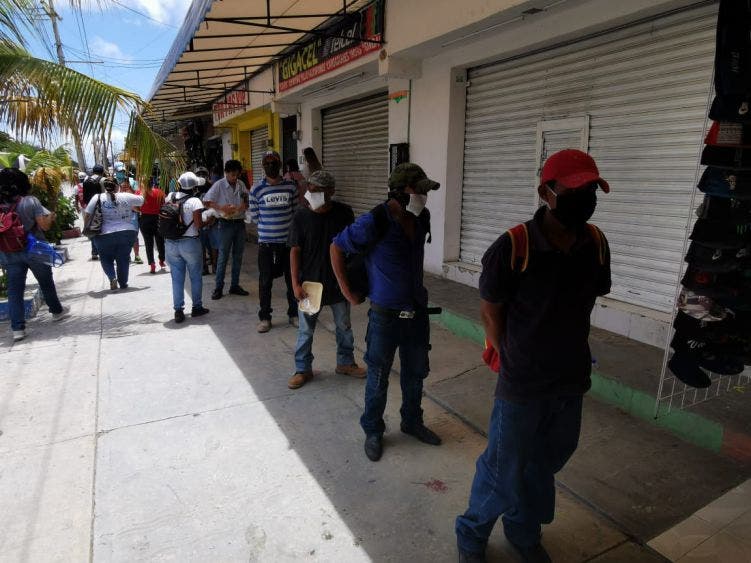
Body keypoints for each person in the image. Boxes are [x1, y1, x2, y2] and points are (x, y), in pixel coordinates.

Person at [454, 149, 612, 563]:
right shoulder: (513, 245)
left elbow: (585, 301)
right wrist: (510, 356)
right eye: (575, 190)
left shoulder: (595, 243)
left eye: (591, 190)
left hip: (570, 379)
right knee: (502, 469)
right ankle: (471, 533)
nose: (586, 199)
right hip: (522, 383)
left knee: (545, 462)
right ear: (546, 193)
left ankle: (523, 532)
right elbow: (490, 312)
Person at [330, 163, 442, 462]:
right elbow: (336, 248)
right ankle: (373, 430)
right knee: (378, 376)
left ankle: (412, 422)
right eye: (418, 190)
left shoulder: (421, 217)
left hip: (416, 313)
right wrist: (347, 292)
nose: (423, 197)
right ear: (400, 192)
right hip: (384, 317)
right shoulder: (375, 220)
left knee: (416, 373)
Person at [287, 170, 365, 389]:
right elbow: (294, 250)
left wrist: (354, 282)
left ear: (331, 191)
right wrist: (295, 284)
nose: (310, 193)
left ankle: (345, 363)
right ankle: (302, 369)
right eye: (309, 188)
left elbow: (354, 248)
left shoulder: (344, 213)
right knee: (305, 330)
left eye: (317, 190)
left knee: (344, 326)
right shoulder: (301, 216)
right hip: (310, 285)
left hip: (339, 282)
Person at [0, 168, 69, 341]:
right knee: (45, 281)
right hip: (35, 248)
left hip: (9, 251)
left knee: (14, 290)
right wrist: (50, 217)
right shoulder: (30, 201)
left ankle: (18, 329)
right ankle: (56, 311)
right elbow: (44, 226)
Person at [248, 151, 298, 333]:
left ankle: (294, 314)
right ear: (263, 166)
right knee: (265, 282)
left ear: (280, 164)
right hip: (266, 244)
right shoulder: (256, 189)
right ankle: (265, 318)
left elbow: (295, 212)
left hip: (288, 244)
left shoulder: (291, 187)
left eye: (274, 162)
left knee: (292, 280)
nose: (270, 165)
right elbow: (254, 216)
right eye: (267, 163)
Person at [164, 172, 210, 323]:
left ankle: (178, 310)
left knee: (177, 278)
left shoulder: (170, 196)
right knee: (195, 276)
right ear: (195, 187)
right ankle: (197, 307)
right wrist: (210, 220)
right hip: (190, 243)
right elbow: (198, 225)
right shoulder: (195, 201)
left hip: (171, 243)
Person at [84, 176, 143, 291]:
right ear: (117, 186)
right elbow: (141, 200)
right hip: (127, 232)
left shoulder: (97, 197)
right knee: (123, 259)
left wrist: (87, 228)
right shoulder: (126, 196)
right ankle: (123, 283)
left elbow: (87, 214)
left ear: (104, 187)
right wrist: (141, 187)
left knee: (105, 258)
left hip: (103, 235)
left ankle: (112, 278)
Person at [203, 159, 250, 300]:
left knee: (238, 255)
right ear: (226, 173)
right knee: (223, 256)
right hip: (225, 223)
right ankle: (218, 288)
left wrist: (243, 206)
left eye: (237, 175)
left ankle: (234, 285)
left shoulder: (241, 184)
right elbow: (206, 202)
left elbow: (247, 200)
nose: (235, 178)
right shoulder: (219, 185)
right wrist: (221, 208)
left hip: (239, 223)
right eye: (232, 175)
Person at [137, 176, 166, 274]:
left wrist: (141, 210)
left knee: (148, 243)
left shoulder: (139, 193)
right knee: (160, 241)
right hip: (158, 218)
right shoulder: (159, 192)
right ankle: (162, 260)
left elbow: (134, 207)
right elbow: (164, 205)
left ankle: (152, 264)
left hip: (145, 219)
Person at [115, 165, 143, 265]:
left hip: (133, 213)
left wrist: (129, 188)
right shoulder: (114, 183)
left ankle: (137, 255)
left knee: (134, 235)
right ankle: (127, 256)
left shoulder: (132, 182)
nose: (121, 173)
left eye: (123, 171)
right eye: (120, 171)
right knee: (122, 236)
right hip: (119, 214)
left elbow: (137, 196)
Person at [195, 166, 217, 275]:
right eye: (199, 174)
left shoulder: (212, 187)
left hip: (212, 218)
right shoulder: (194, 189)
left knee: (214, 245)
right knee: (201, 246)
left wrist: (213, 217)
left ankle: (215, 266)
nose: (201, 176)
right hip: (200, 220)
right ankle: (204, 267)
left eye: (203, 174)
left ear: (207, 175)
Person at [82, 164, 105, 259]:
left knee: (93, 229)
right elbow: (105, 195)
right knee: (103, 229)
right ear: (102, 172)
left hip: (90, 208)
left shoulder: (86, 180)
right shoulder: (102, 180)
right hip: (101, 207)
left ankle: (94, 252)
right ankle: (103, 250)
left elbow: (84, 197)